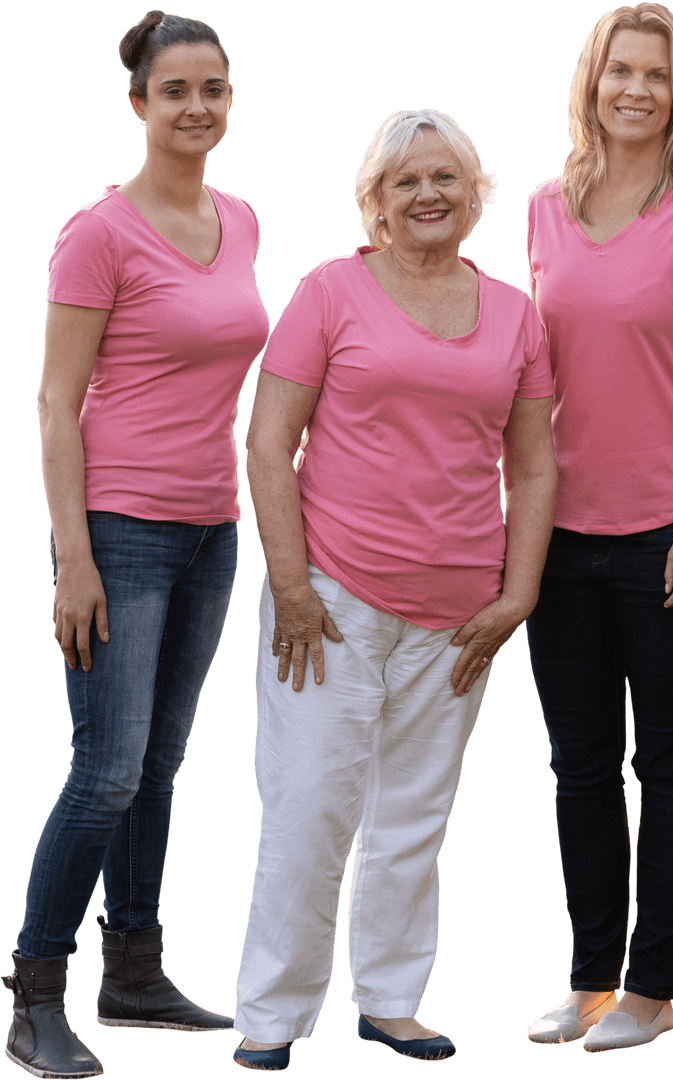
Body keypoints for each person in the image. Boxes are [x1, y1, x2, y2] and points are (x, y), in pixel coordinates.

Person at [232, 108, 556, 1071]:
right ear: (375, 198)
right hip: (330, 597)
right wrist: (291, 585)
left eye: (446, 178)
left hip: (461, 612)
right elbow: (267, 442)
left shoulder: (515, 313)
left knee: (413, 813)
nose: (428, 195)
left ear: (474, 192)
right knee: (307, 807)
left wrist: (521, 591)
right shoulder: (330, 288)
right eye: (406, 181)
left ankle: (390, 1001)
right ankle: (271, 1015)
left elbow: (534, 467)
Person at [2, 11, 269, 1080]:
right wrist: (72, 556)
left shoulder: (242, 219)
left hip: (213, 528)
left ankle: (137, 971)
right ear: (138, 105)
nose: (197, 107)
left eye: (214, 88)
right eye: (176, 92)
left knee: (159, 768)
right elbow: (54, 400)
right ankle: (33, 994)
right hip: (118, 529)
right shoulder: (98, 232)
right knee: (105, 772)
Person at [523, 2, 673, 1054]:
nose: (634, 89)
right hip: (558, 539)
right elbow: (527, 371)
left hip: (670, 528)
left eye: (654, 74)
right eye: (618, 69)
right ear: (591, 81)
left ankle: (654, 990)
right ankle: (588, 981)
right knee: (577, 768)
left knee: (666, 767)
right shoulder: (540, 205)